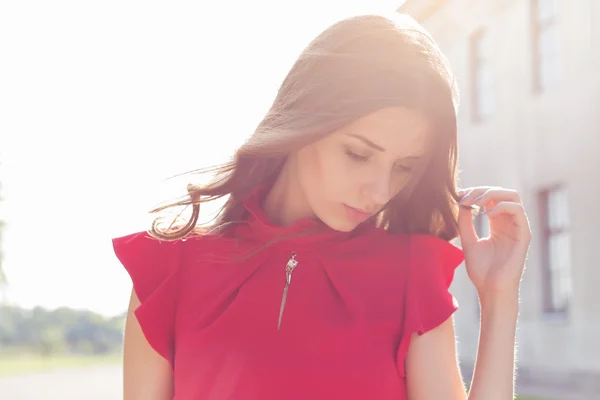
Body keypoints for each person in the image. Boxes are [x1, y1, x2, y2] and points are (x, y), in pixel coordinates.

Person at [113, 13, 531, 400]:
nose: (380, 191)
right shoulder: (167, 271)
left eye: (404, 167)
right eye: (358, 154)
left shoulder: (412, 274)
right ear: (304, 123)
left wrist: (498, 298)